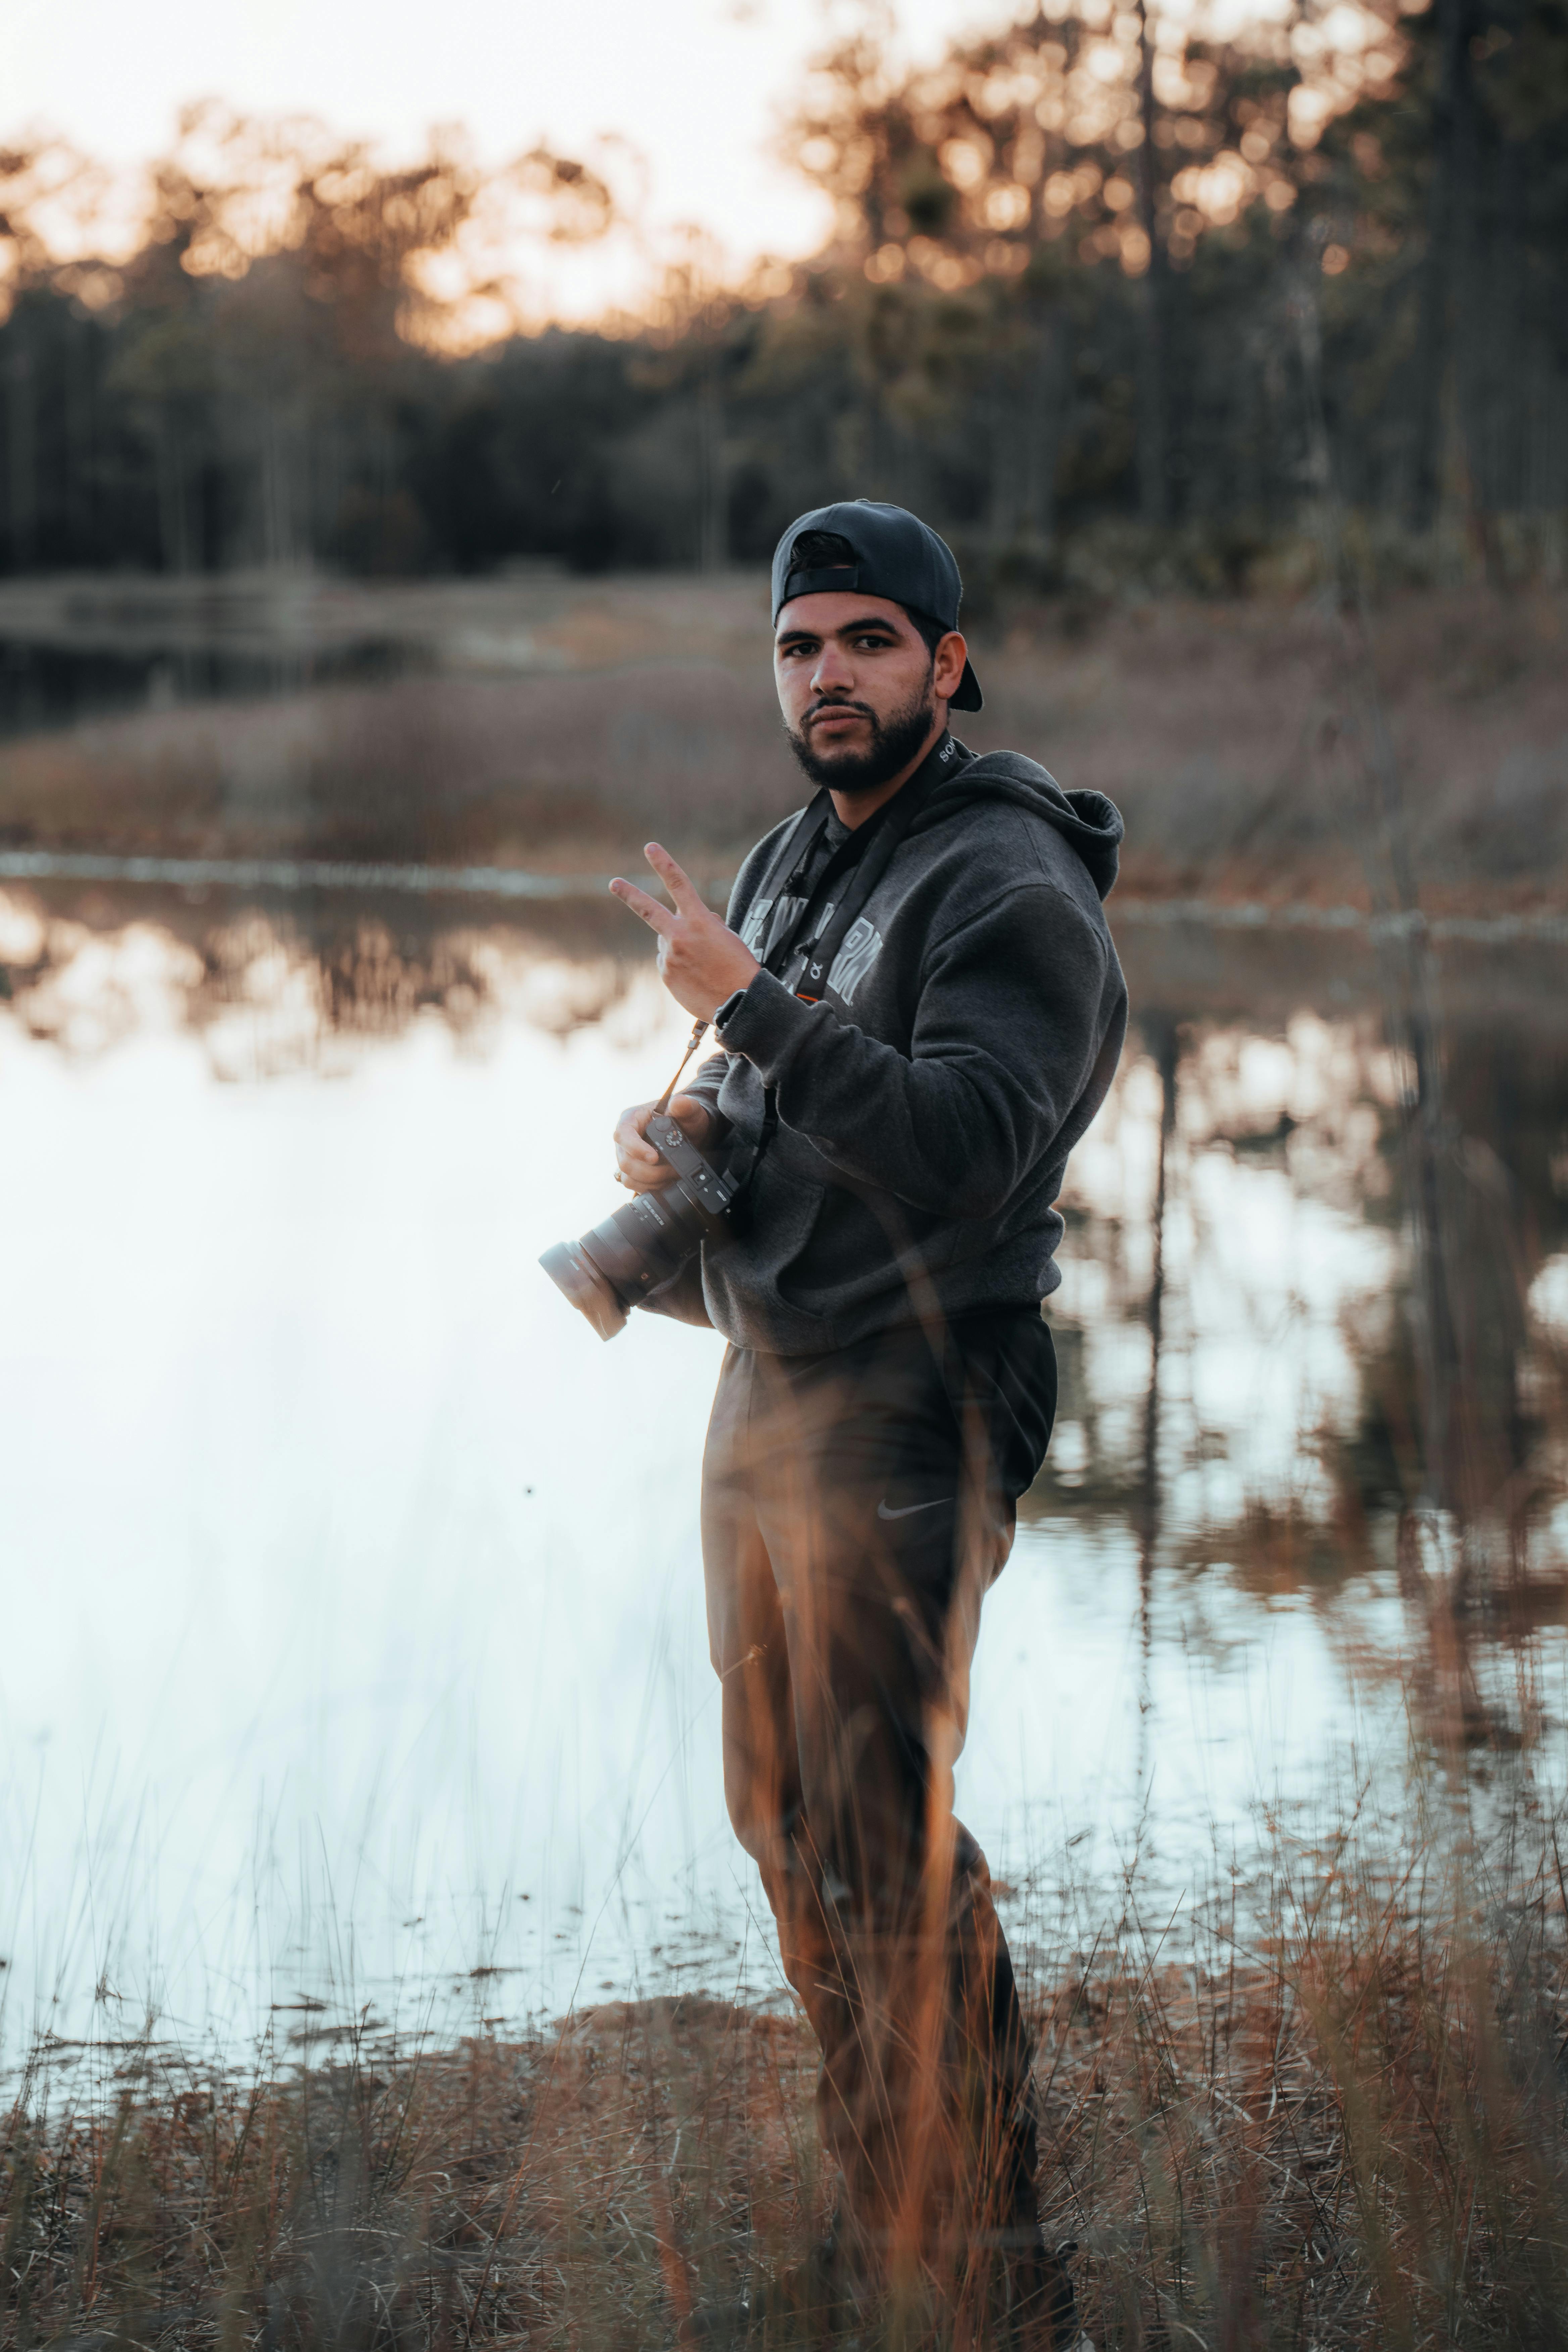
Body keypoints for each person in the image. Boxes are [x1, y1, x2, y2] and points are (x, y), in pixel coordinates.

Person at [608, 501, 1125, 2347]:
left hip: (922, 1387)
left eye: (868, 642)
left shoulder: (1009, 881)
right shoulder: (786, 858)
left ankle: (995, 2271)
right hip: (773, 1390)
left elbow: (975, 1149)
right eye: (800, 646)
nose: (829, 676)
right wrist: (680, 1158)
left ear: (947, 661)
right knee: (782, 1817)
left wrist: (744, 1002)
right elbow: (794, 1130)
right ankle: (891, 2206)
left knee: (880, 1821)